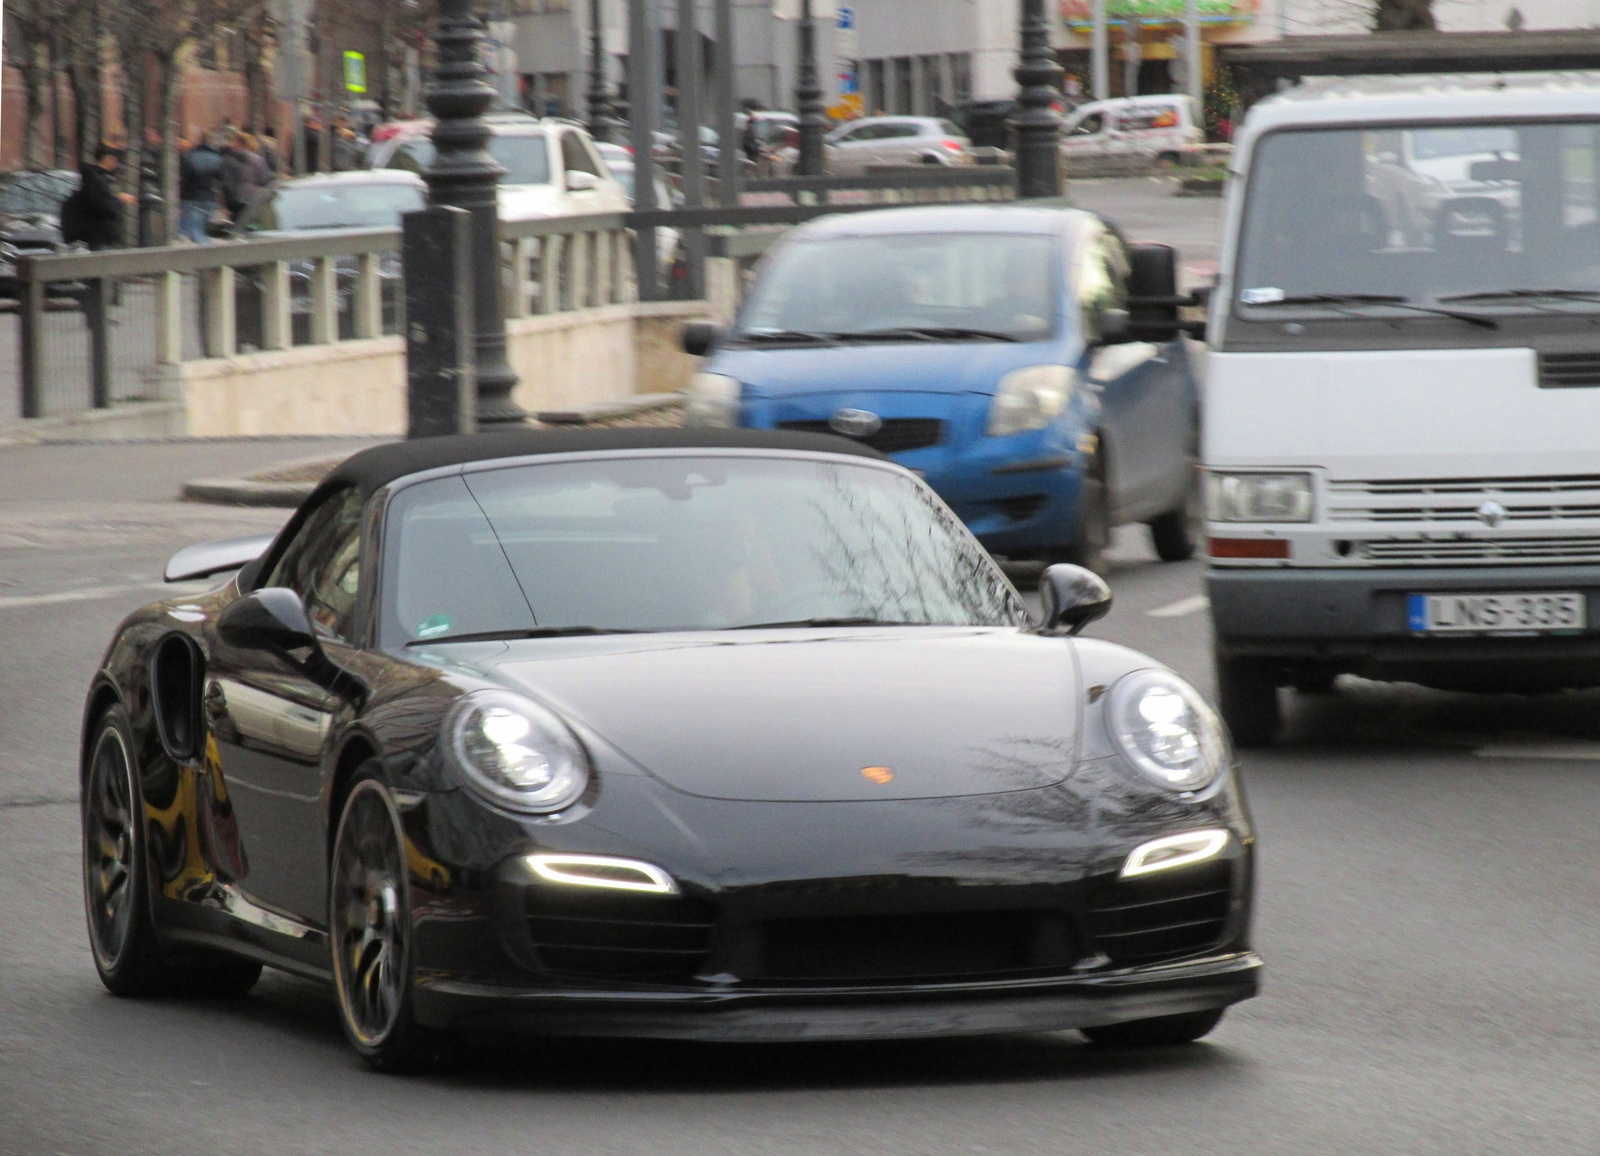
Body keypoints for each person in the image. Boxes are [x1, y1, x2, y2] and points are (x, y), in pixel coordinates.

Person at [59, 144, 134, 251]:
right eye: (114, 159)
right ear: (106, 159)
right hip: (98, 238)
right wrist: (119, 199)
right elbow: (101, 204)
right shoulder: (95, 179)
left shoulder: (103, 178)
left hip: (106, 238)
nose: (115, 163)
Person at [177, 131, 224, 243]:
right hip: (209, 198)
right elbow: (221, 180)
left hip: (190, 197)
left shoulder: (188, 157)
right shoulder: (218, 158)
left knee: (190, 230)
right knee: (200, 230)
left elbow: (182, 178)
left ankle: (200, 255)